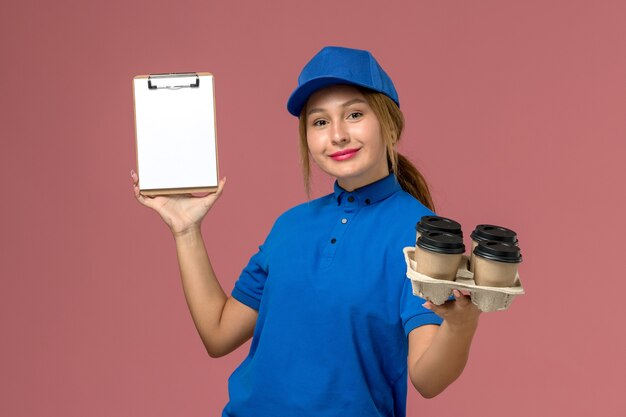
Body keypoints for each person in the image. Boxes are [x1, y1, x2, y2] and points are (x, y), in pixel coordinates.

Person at [131, 46, 481, 417]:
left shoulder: (418, 236)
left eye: (355, 114)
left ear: (390, 123)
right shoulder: (290, 225)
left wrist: (461, 327)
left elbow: (428, 380)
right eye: (319, 122)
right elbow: (218, 333)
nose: (338, 135)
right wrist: (186, 231)